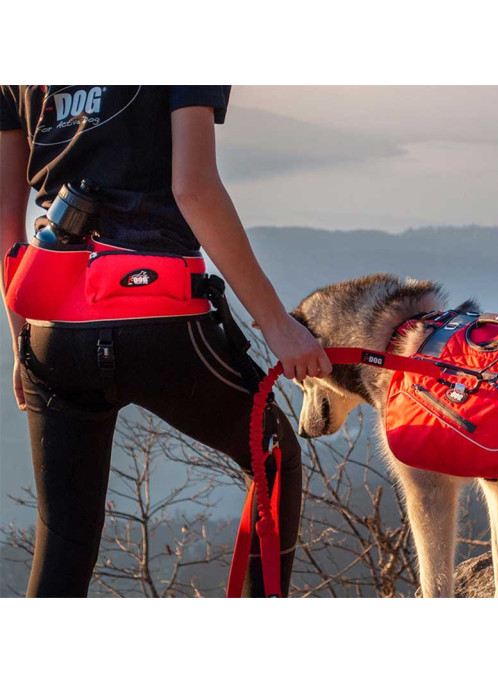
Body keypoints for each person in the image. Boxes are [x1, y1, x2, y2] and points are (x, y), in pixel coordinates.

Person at [0, 85, 332, 598]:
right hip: (156, 315)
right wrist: (276, 325)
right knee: (273, 456)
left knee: (63, 542)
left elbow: (5, 227)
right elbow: (193, 189)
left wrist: (23, 340)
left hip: (51, 325)